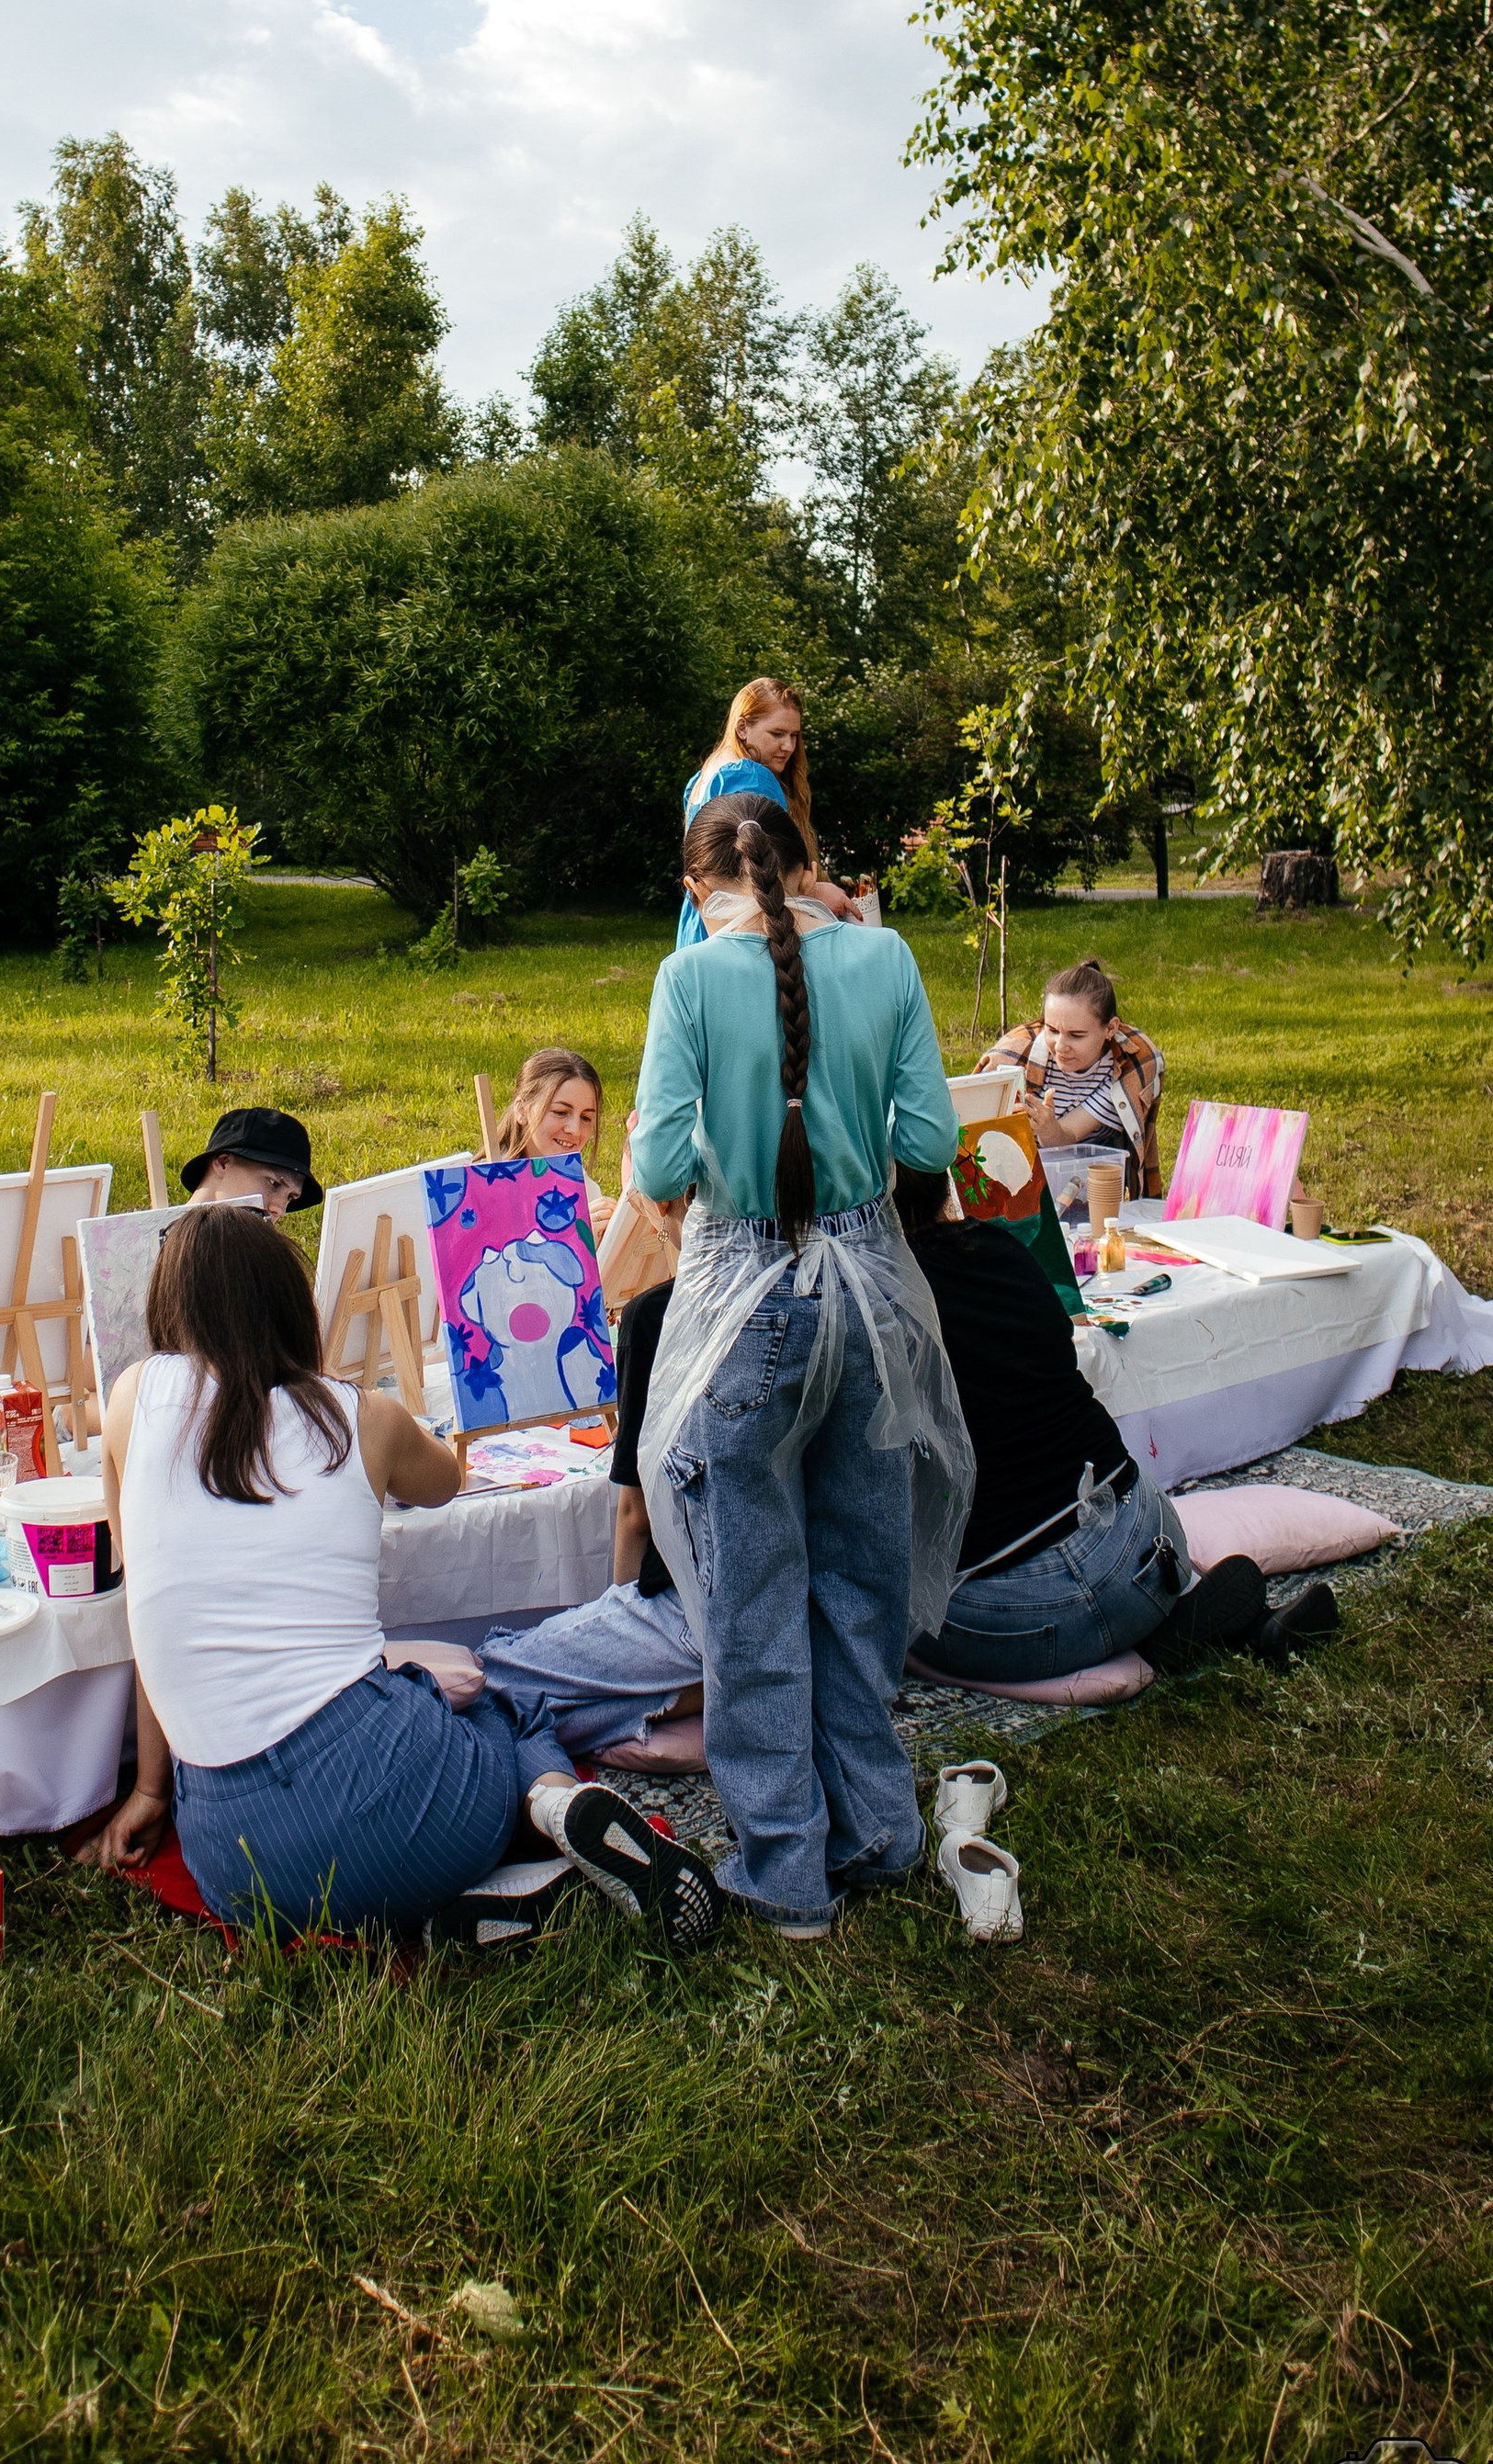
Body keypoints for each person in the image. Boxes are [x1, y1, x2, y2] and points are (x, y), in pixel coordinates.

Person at [87, 1204, 721, 1949]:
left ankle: (482, 1900)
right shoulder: (359, 1416)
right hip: (401, 1797)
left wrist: (150, 1789)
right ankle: (553, 1806)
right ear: (291, 1303)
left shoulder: (130, 1399)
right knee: (502, 1699)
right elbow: (445, 1481)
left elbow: (148, 1615)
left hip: (237, 1860)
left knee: (413, 1725)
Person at [626, 792, 976, 1940]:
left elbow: (659, 1166)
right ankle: (878, 1831)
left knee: (747, 1587)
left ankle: (784, 1867)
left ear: (698, 891)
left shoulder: (687, 980)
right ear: (806, 863)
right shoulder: (886, 957)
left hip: (742, 1286)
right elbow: (928, 1142)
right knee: (862, 1576)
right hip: (869, 1285)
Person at [894, 1164, 1340, 1676]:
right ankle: (1207, 1621)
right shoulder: (998, 1247)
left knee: (894, 1609)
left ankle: (1129, 1640)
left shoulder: (877, 1303)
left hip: (1036, 1602)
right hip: (1143, 1526)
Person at [480, 1273, 705, 1760]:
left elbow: (636, 1515)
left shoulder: (660, 1311)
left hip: (697, 1613)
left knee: (487, 1679)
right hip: (793, 1608)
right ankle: (673, 1708)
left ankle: (700, 1700)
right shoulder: (825, 1289)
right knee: (541, 1699)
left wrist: (617, 1611)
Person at [676, 679, 864, 946]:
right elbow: (760, 868)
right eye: (777, 734)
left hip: (704, 919)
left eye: (794, 735)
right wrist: (814, 891)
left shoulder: (706, 775)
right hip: (744, 926)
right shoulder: (750, 776)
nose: (789, 746)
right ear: (743, 728)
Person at [983, 956, 1165, 1201]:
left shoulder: (1125, 1071)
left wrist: (1047, 1128)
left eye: (1076, 1035)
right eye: (1052, 1030)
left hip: (1084, 1183)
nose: (1060, 1046)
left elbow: (1067, 1136)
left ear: (1110, 1029)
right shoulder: (1015, 1056)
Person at [178, 1106, 325, 1217]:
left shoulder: (262, 1248)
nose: (280, 1210)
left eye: (290, 1197)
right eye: (274, 1183)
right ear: (223, 1163)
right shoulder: (165, 1243)